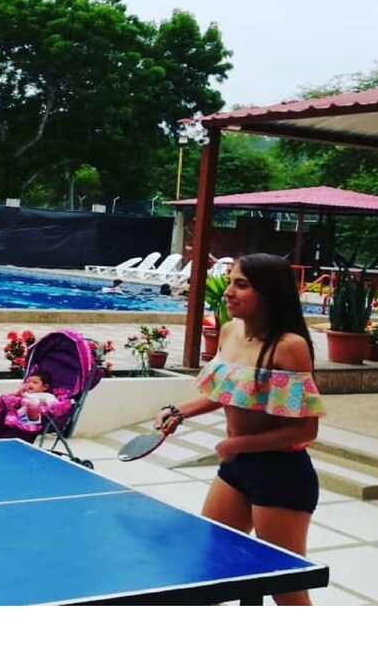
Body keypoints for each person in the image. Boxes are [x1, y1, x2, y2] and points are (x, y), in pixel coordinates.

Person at [154, 253, 325, 605]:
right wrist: (180, 411)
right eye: (230, 282)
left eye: (241, 285)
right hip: (237, 469)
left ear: (269, 292)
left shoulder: (288, 347)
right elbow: (228, 391)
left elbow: (305, 431)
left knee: (285, 590)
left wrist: (238, 444)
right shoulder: (230, 331)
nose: (229, 292)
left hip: (282, 474)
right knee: (210, 569)